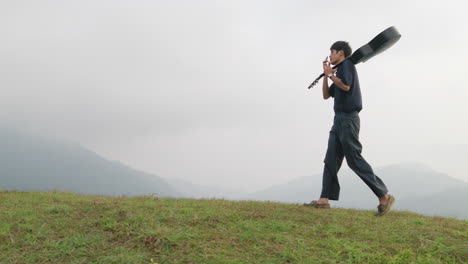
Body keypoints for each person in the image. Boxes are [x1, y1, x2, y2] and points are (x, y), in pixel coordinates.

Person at [304, 41, 395, 216]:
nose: (330, 55)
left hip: (348, 119)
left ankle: (384, 195)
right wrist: (326, 75)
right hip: (338, 120)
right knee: (331, 158)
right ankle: (324, 199)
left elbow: (346, 86)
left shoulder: (347, 65)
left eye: (332, 51)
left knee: (354, 159)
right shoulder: (338, 71)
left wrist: (331, 75)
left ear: (341, 53)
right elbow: (326, 95)